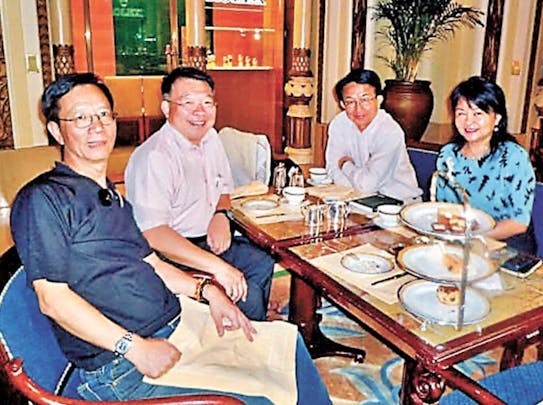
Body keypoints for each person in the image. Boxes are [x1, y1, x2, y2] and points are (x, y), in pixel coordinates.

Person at [10, 73, 330, 403]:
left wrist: (207, 291)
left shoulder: (110, 196)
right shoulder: (44, 199)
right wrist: (135, 348)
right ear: (55, 130)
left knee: (287, 345)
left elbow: (151, 262)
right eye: (81, 118)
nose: (97, 126)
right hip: (123, 365)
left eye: (104, 114)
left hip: (177, 325)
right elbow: (53, 298)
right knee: (263, 397)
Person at [125, 67, 273, 321]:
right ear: (166, 108)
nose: (199, 111)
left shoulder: (211, 137)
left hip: (209, 239)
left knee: (261, 262)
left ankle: (247, 322)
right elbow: (154, 234)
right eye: (188, 103)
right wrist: (218, 267)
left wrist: (221, 215)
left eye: (206, 102)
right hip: (171, 253)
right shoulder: (155, 157)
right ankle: (241, 326)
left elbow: (224, 187)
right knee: (246, 294)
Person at [435, 76, 537, 253]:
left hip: (506, 245)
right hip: (459, 243)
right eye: (461, 113)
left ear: (496, 118)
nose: (468, 122)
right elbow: (443, 210)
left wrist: (471, 238)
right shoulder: (448, 155)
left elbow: (519, 223)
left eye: (478, 114)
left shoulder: (513, 157)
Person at [325, 68, 422, 202]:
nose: (358, 108)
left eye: (365, 100)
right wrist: (353, 190)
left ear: (379, 100)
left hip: (398, 203)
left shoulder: (390, 131)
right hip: (355, 198)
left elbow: (368, 185)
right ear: (342, 104)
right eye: (350, 102)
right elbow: (332, 169)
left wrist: (345, 164)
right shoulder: (339, 123)